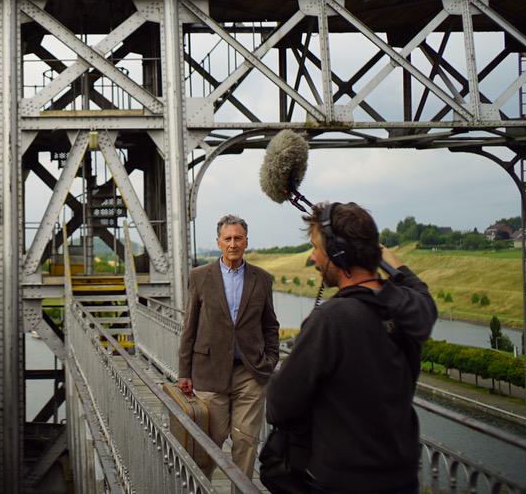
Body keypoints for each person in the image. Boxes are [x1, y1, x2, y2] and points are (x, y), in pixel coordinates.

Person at [265, 201, 437, 494]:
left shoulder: (330, 320)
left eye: (316, 248)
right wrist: (372, 248)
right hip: (402, 478)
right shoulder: (411, 308)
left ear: (338, 254)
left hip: (341, 481)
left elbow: (279, 405)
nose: (313, 257)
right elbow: (416, 286)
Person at [177, 214, 280, 478]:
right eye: (228, 239)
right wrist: (184, 372)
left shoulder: (262, 279)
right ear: (219, 242)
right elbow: (190, 326)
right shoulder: (200, 277)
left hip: (250, 372)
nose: (233, 243)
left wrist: (269, 362)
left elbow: (270, 326)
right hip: (209, 372)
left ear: (246, 242)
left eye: (238, 238)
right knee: (212, 441)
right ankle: (203, 485)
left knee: (245, 441)